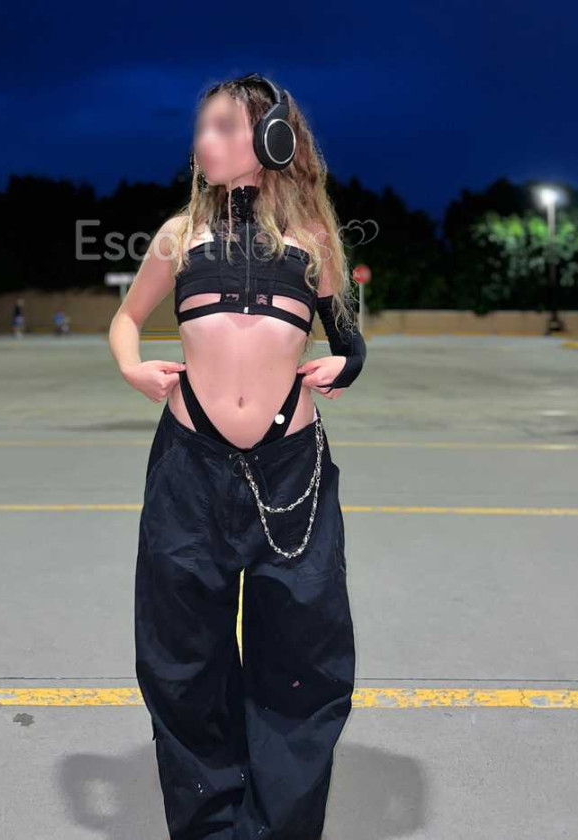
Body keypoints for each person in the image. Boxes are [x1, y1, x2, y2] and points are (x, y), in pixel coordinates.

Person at [108, 72, 365, 840]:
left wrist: (345, 364)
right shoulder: (177, 236)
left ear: (273, 138)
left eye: (223, 126)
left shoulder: (312, 242)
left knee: (301, 665)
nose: (203, 141)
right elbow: (126, 318)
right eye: (201, 127)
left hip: (292, 471)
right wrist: (130, 365)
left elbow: (349, 340)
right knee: (183, 665)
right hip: (190, 469)